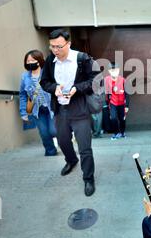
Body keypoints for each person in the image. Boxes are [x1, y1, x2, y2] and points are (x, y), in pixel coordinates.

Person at [40, 29, 96, 196]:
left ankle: (88, 178)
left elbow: (95, 79)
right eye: (52, 47)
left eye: (59, 46)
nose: (55, 50)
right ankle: (71, 161)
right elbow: (44, 82)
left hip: (79, 108)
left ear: (68, 44)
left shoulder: (82, 58)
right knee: (63, 142)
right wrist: (54, 88)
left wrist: (76, 89)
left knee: (84, 147)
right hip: (60, 109)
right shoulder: (50, 61)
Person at [19, 50, 57, 156]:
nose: (30, 62)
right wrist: (23, 112)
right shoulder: (25, 77)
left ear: (39, 60)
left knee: (54, 131)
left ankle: (66, 137)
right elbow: (22, 95)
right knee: (44, 133)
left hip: (51, 106)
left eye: (33, 60)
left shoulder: (48, 72)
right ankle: (50, 151)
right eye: (28, 60)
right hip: (37, 110)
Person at [104, 62, 129, 140]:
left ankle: (122, 132)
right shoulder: (106, 80)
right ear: (109, 71)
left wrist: (127, 105)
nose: (114, 72)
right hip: (112, 103)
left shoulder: (123, 80)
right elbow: (106, 93)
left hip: (122, 103)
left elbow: (127, 93)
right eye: (112, 70)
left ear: (118, 70)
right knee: (113, 118)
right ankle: (116, 133)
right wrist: (107, 103)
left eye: (116, 70)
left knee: (122, 119)